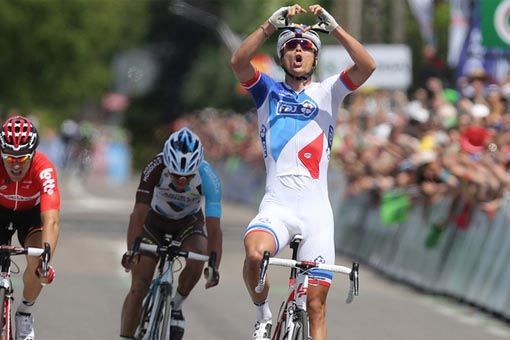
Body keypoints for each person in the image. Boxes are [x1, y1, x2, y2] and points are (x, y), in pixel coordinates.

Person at [231, 4, 375, 340]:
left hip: (316, 215)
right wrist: (270, 26)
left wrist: (335, 28)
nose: (299, 51)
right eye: (291, 47)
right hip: (277, 206)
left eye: (307, 47)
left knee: (316, 305)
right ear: (282, 57)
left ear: (315, 57)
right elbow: (238, 62)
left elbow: (367, 66)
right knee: (254, 254)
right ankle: (263, 313)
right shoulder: (267, 91)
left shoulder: (329, 91)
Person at [119, 127, 222, 340]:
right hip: (153, 223)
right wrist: (132, 251)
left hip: (188, 224)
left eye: (187, 176)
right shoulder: (155, 166)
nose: (181, 180)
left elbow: (213, 228)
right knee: (139, 286)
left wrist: (214, 265)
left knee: (198, 257)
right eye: (175, 174)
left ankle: (176, 305)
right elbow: (138, 214)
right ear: (167, 162)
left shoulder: (209, 177)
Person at [0, 115, 58, 340]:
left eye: (22, 158)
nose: (15, 164)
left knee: (37, 261)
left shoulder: (44, 169)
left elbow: (51, 219)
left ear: (32, 154)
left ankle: (24, 312)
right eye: (9, 157)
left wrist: (46, 259)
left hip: (30, 215)